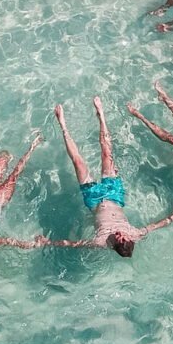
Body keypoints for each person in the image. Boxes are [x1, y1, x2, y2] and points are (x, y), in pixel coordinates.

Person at [53, 98, 146, 256]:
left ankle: (63, 125)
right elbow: (160, 224)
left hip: (94, 199)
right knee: (106, 153)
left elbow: (73, 244)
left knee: (78, 162)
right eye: (124, 236)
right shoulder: (136, 234)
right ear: (130, 239)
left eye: (118, 238)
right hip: (114, 194)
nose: (119, 234)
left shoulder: (101, 242)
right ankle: (101, 115)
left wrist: (46, 242)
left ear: (115, 244)